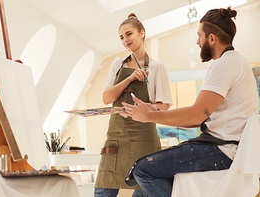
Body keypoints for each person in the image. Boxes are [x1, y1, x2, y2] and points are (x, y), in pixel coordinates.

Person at [122, 7, 259, 197]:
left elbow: (196, 116)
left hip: (221, 150)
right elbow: (200, 112)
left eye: (199, 36)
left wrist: (150, 116)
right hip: (223, 145)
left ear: (212, 38)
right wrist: (155, 111)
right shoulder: (236, 61)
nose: (197, 41)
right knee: (141, 193)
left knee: (142, 170)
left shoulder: (224, 65)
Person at [94, 13, 173, 197]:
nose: (125, 40)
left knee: (142, 193)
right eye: (121, 37)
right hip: (116, 139)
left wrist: (140, 110)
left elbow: (163, 107)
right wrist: (129, 78)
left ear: (142, 33)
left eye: (129, 34)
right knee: (102, 191)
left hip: (143, 141)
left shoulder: (156, 67)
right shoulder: (116, 65)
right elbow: (106, 98)